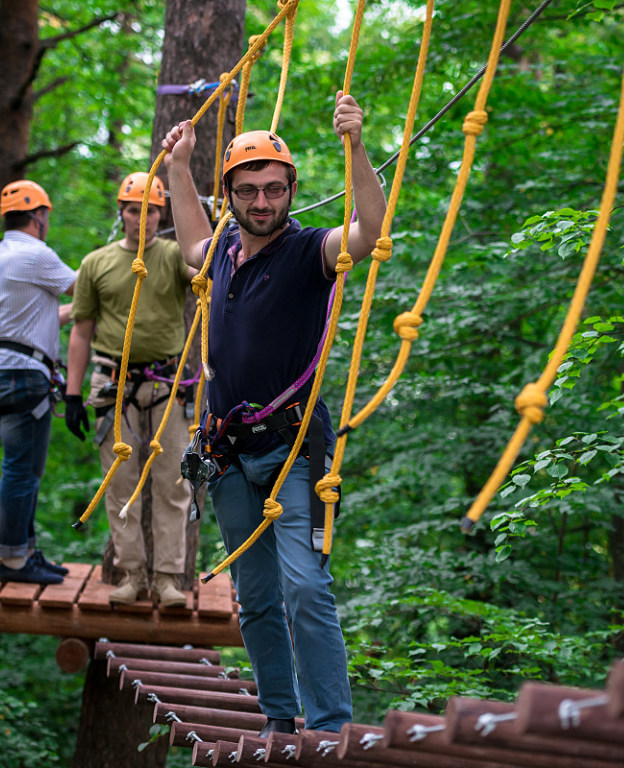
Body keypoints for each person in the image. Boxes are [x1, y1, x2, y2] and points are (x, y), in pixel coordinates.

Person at [160, 91, 388, 736]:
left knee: (307, 590)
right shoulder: (225, 255)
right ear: (230, 194)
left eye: (274, 190)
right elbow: (190, 247)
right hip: (228, 456)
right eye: (249, 191)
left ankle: (330, 725)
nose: (262, 202)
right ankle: (279, 719)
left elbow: (369, 234)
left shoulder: (309, 252)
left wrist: (357, 145)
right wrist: (180, 170)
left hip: (292, 453)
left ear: (292, 190)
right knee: (255, 600)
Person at [64, 172, 194, 608]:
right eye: (134, 209)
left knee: (172, 482)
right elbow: (81, 332)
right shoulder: (96, 264)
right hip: (113, 383)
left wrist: (210, 225)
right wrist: (71, 393)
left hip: (166, 384)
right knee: (120, 483)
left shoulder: (175, 256)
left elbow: (204, 267)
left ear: (162, 215)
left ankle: (167, 579)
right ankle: (133, 574)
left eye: (151, 210)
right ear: (121, 212)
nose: (142, 218)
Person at [0, 179, 77, 585]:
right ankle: (14, 561)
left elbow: (37, 320)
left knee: (22, 467)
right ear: (39, 215)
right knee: (22, 469)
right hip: (22, 374)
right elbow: (86, 289)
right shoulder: (36, 255)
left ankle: (24, 550)